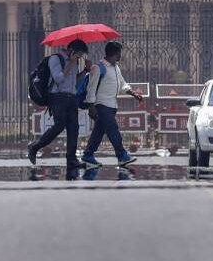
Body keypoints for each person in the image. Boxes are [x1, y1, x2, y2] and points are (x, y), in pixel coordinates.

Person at [27, 39, 91, 168]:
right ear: (71, 50)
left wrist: (85, 70)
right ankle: (35, 146)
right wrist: (70, 63)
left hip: (72, 97)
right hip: (57, 97)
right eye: (79, 54)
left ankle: (71, 159)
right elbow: (59, 78)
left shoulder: (75, 62)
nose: (80, 57)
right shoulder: (55, 59)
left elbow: (74, 81)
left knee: (74, 128)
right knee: (59, 125)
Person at [80, 41, 144, 169]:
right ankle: (122, 155)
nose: (121, 55)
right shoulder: (98, 68)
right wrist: (91, 107)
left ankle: (88, 155)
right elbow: (91, 89)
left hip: (112, 105)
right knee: (113, 129)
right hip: (101, 105)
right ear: (115, 53)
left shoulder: (116, 68)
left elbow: (122, 84)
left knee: (98, 131)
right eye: (119, 52)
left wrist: (133, 93)